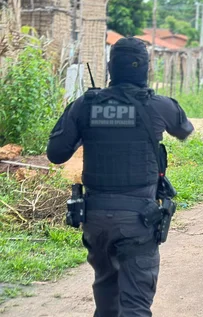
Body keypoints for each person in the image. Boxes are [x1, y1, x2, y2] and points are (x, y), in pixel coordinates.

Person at [47, 37, 194, 317]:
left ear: (111, 68)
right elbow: (185, 129)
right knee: (135, 307)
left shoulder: (85, 105)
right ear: (146, 69)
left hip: (96, 219)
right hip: (139, 220)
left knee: (106, 299)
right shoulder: (159, 105)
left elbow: (56, 153)